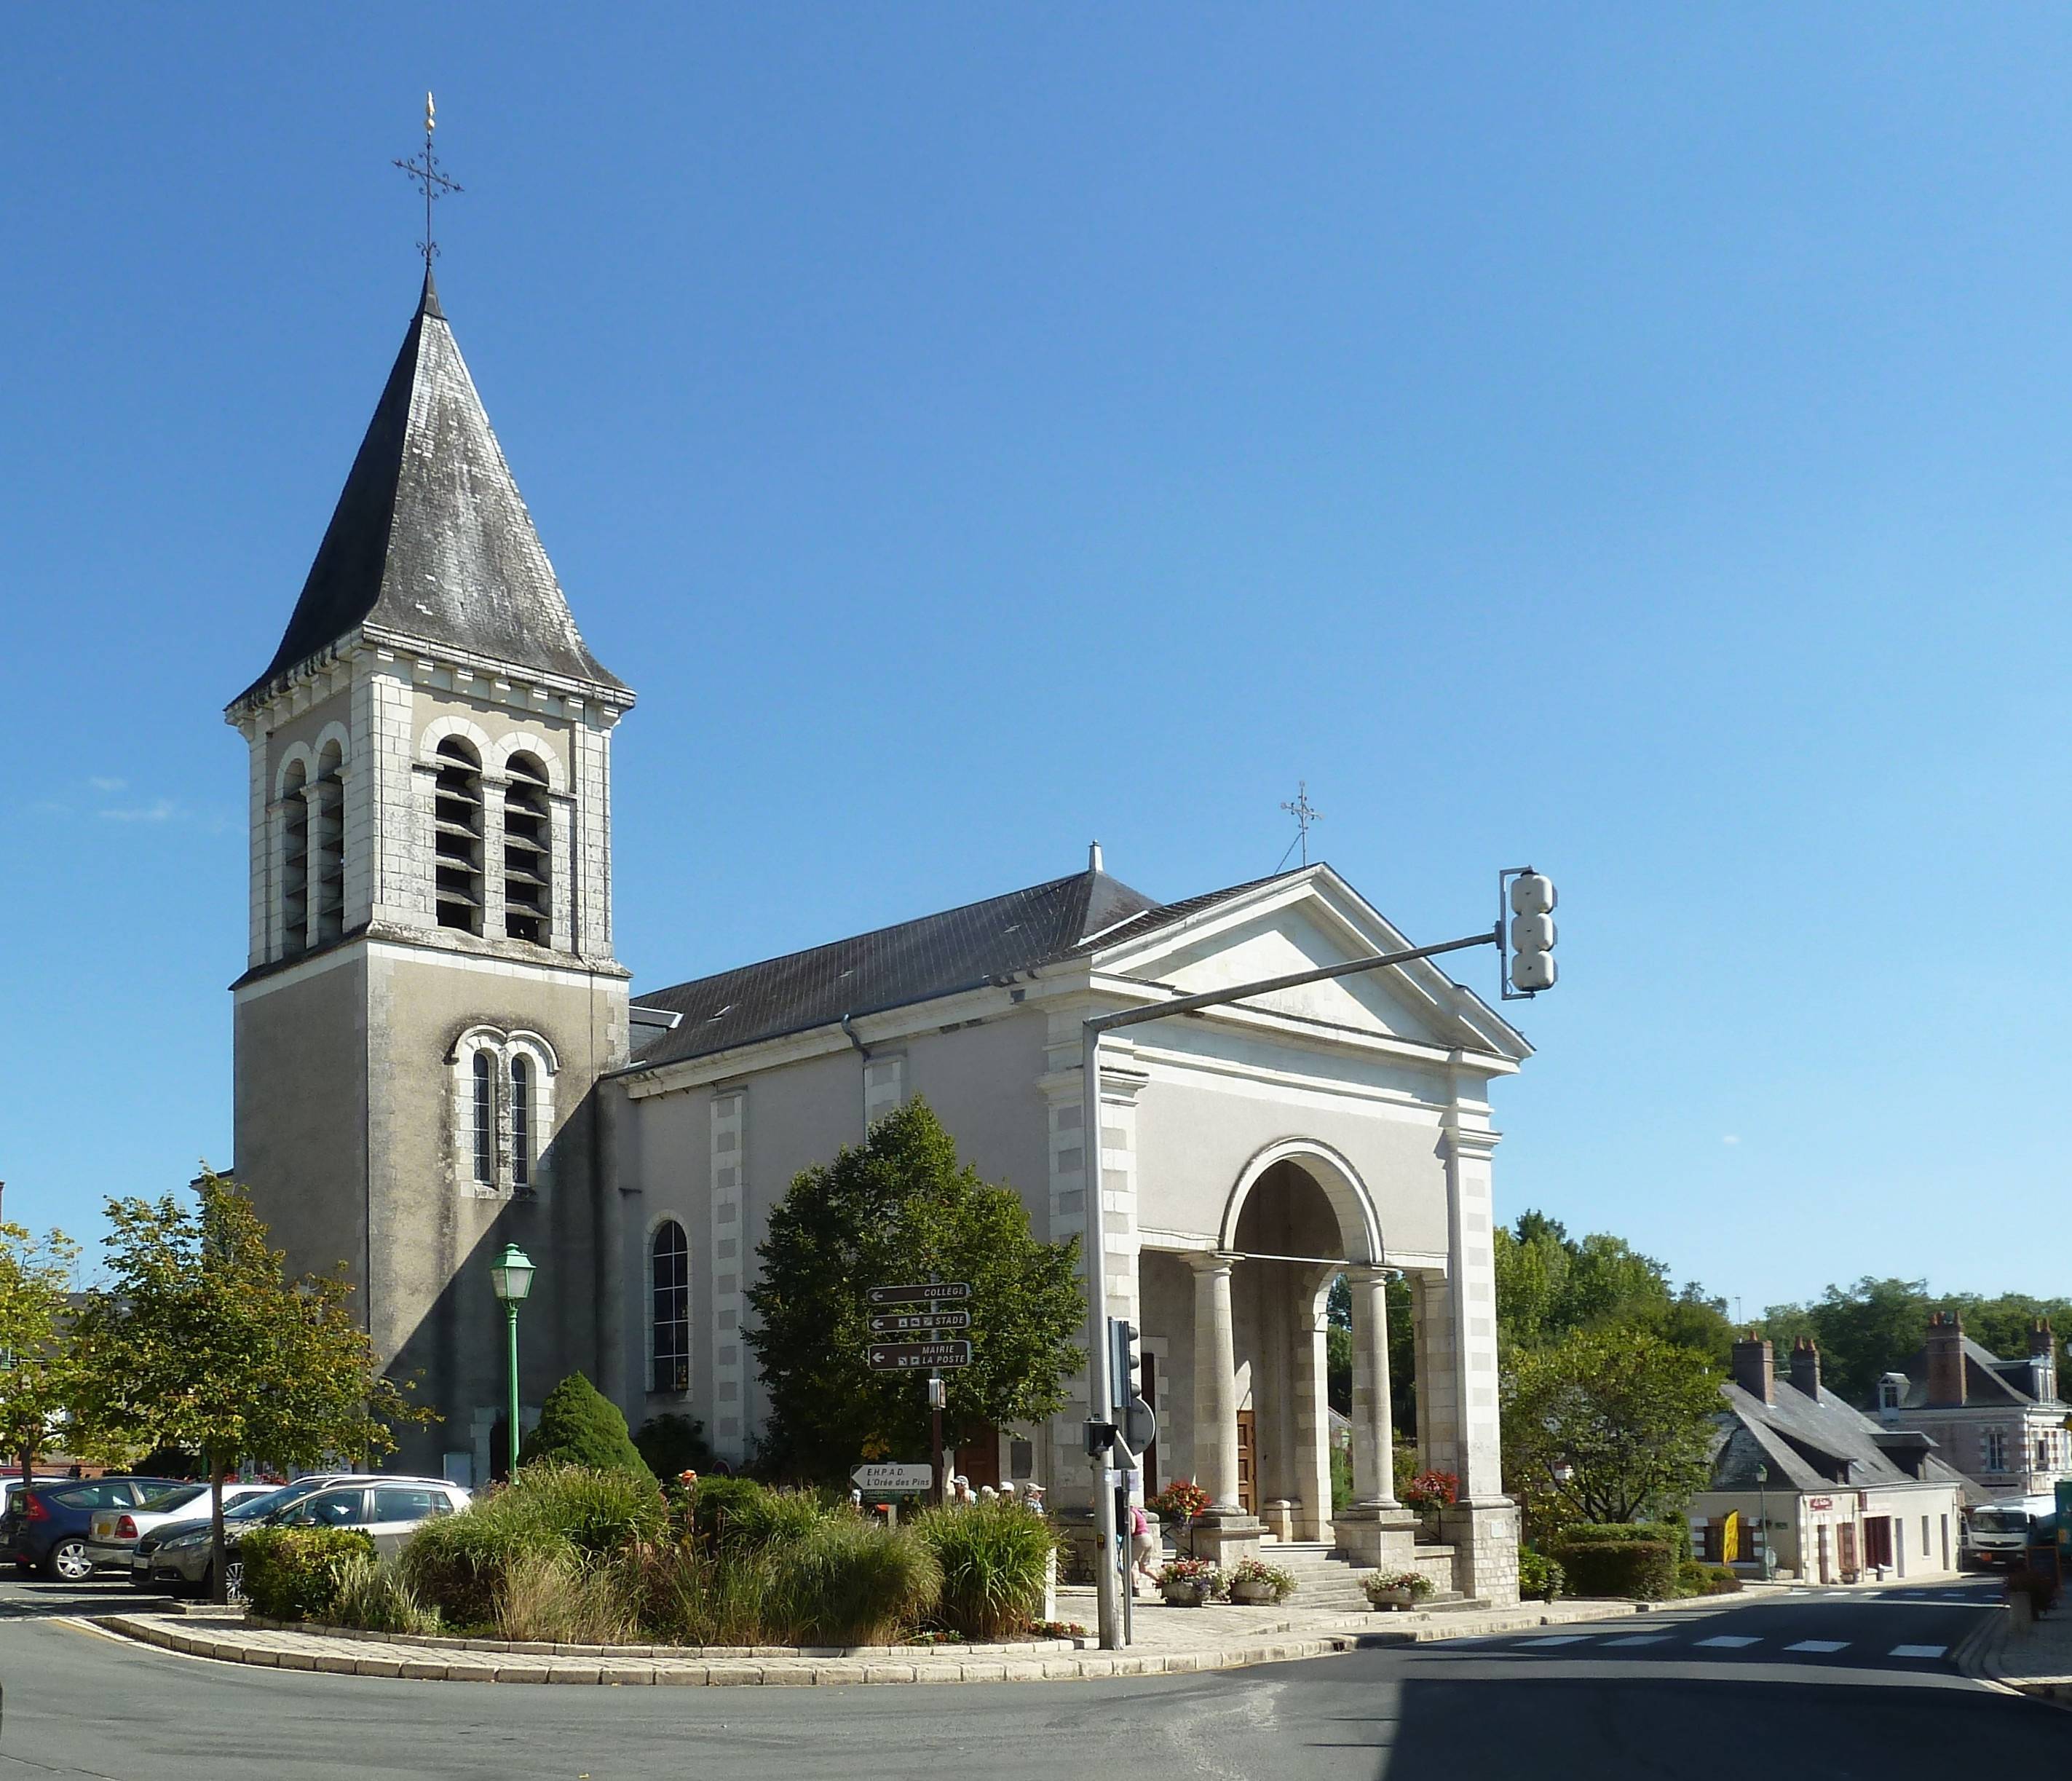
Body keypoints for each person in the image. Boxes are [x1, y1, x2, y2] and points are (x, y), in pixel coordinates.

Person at [1129, 1500, 1160, 1593]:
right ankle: (1161, 1581)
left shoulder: (1131, 1513)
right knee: (1144, 1568)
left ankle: (1134, 1588)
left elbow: (1132, 1529)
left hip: (1140, 1538)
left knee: (1130, 1564)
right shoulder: (1139, 1512)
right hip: (1148, 1538)